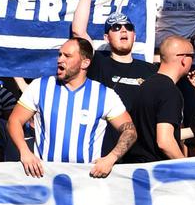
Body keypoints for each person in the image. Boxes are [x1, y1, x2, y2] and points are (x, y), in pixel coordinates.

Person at [8, 37, 137, 177]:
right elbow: (14, 121)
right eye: (59, 55)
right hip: (44, 176)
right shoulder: (40, 86)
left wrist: (111, 158)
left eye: (67, 56)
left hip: (85, 179)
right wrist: (25, 152)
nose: (60, 60)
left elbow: (130, 131)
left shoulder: (104, 95)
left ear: (85, 63)